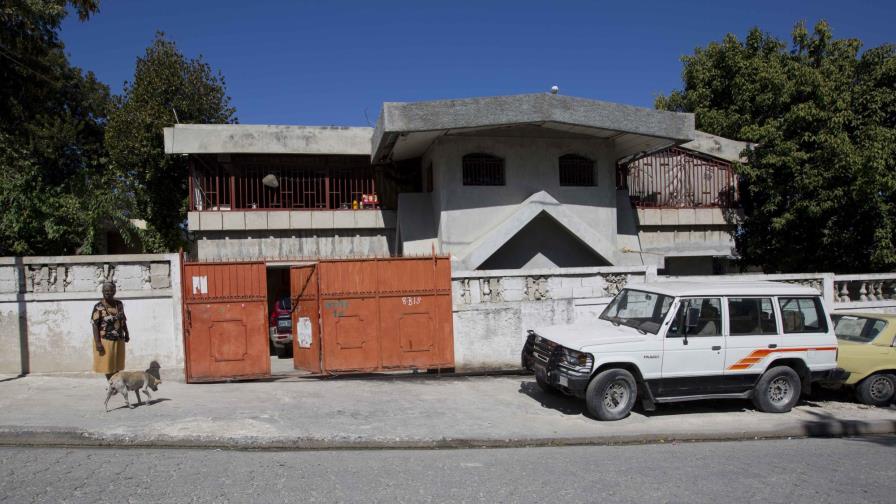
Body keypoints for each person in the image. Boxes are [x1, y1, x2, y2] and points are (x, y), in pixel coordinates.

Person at [91, 281, 129, 380]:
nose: (108, 293)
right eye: (105, 291)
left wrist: (127, 333)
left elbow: (123, 320)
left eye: (110, 290)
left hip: (119, 338)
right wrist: (98, 342)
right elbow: (95, 325)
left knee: (116, 363)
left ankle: (115, 383)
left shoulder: (119, 304)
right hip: (105, 340)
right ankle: (112, 383)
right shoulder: (98, 306)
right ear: (102, 291)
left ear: (114, 291)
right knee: (107, 365)